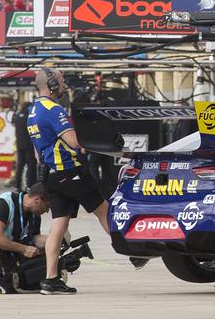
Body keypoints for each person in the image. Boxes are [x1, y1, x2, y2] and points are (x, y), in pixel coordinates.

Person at [27, 67, 145, 294]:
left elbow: (35, 153)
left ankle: (50, 279)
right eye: (61, 80)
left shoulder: (34, 111)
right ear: (51, 84)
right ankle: (133, 252)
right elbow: (73, 142)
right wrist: (100, 136)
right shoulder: (54, 110)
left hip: (52, 174)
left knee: (58, 226)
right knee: (104, 211)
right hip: (72, 171)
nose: (64, 85)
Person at [12, 102, 36, 191]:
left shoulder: (18, 116)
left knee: (20, 165)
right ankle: (29, 184)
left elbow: (13, 122)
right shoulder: (28, 117)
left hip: (19, 144)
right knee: (30, 165)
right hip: (29, 144)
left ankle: (17, 185)